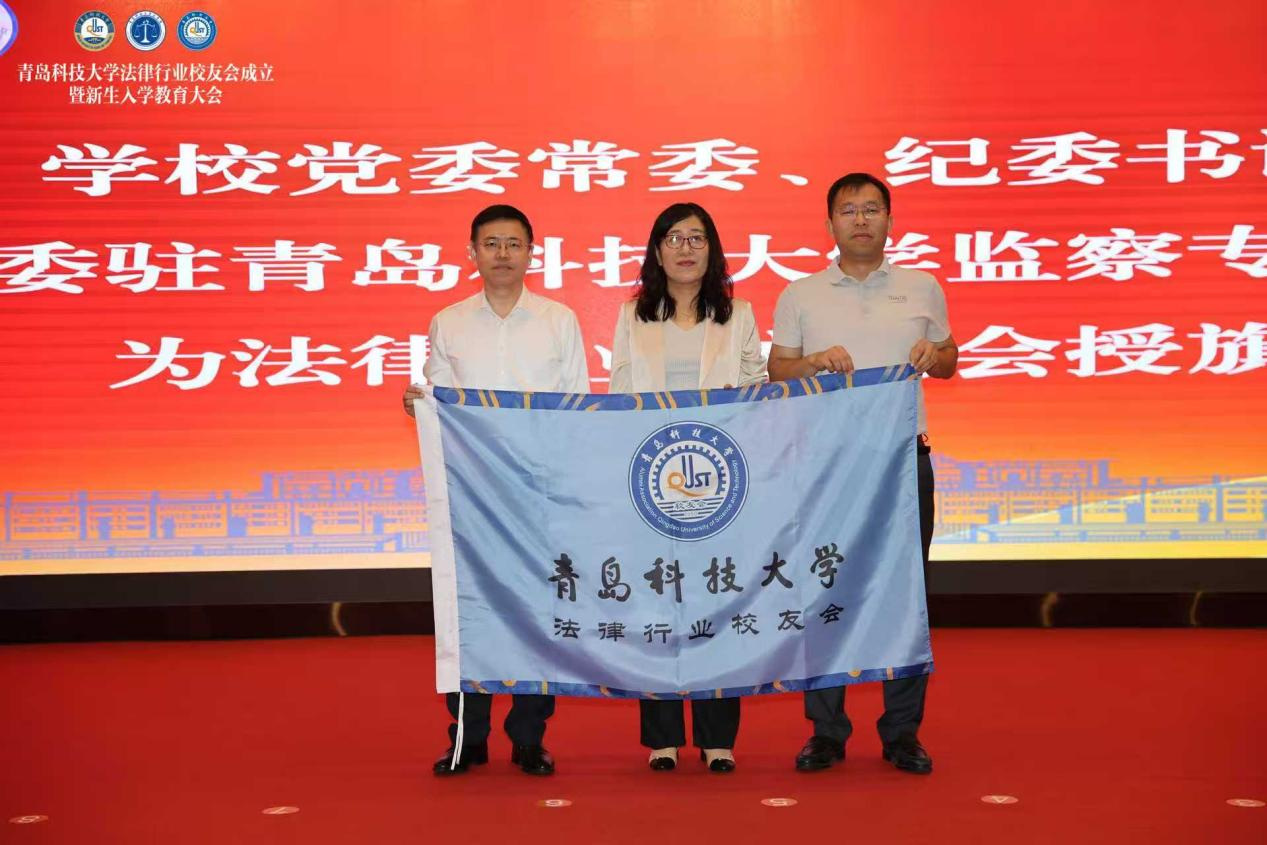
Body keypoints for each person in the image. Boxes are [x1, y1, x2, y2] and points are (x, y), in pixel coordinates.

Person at [768, 173, 957, 775]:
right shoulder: (801, 294)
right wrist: (814, 362)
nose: (860, 220)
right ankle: (826, 731)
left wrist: (935, 355)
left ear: (889, 221)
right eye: (848, 210)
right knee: (823, 588)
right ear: (830, 224)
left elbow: (950, 359)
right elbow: (776, 372)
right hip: (824, 465)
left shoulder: (921, 287)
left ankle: (902, 732)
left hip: (902, 462)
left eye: (871, 209)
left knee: (906, 596)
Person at [403, 204, 589, 777]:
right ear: (472, 252)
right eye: (491, 244)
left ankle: (529, 738)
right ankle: (468, 737)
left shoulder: (559, 320)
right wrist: (420, 406)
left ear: (532, 252)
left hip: (540, 493)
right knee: (471, 612)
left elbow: (577, 406)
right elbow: (442, 406)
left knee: (539, 610)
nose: (503, 254)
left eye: (513, 244)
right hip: (473, 495)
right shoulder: (449, 322)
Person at [610, 202, 766, 773]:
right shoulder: (632, 315)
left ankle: (718, 737)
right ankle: (663, 738)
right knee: (658, 601)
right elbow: (620, 394)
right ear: (657, 251)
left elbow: (756, 390)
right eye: (673, 238)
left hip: (719, 484)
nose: (685, 248)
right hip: (652, 483)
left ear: (712, 250)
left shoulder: (738, 314)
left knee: (718, 601)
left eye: (696, 238)